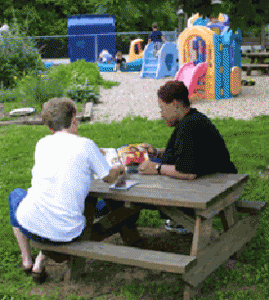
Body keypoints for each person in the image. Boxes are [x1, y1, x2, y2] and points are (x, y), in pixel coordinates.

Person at [8, 97, 125, 283]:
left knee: (17, 195)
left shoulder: (42, 144)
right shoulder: (86, 145)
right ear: (73, 120)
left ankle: (28, 259)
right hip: (67, 232)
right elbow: (109, 177)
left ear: (50, 127)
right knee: (86, 205)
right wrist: (119, 169)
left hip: (30, 224)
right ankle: (38, 258)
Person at [138, 81, 238, 233]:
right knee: (138, 168)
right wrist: (157, 153)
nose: (161, 114)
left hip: (214, 185)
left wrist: (156, 168)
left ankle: (182, 219)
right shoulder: (191, 119)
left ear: (176, 104)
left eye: (162, 108)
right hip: (213, 178)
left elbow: (188, 172)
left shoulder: (189, 127)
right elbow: (185, 151)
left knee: (135, 175)